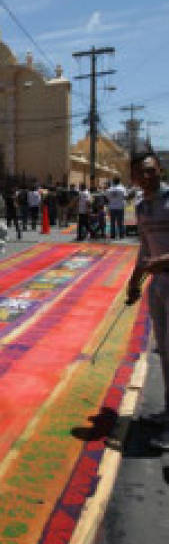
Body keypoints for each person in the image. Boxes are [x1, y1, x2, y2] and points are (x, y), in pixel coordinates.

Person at [125, 153, 169, 449]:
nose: (146, 177)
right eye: (141, 173)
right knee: (165, 351)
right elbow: (144, 249)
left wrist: (164, 260)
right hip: (158, 285)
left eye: (151, 171)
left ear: (160, 170)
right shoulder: (141, 207)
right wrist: (134, 282)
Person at [106, 175, 127, 240]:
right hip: (120, 207)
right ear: (119, 181)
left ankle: (112, 235)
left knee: (112, 222)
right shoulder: (122, 188)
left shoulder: (109, 190)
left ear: (113, 181)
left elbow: (107, 198)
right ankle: (121, 235)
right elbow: (125, 197)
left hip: (112, 207)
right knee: (120, 222)